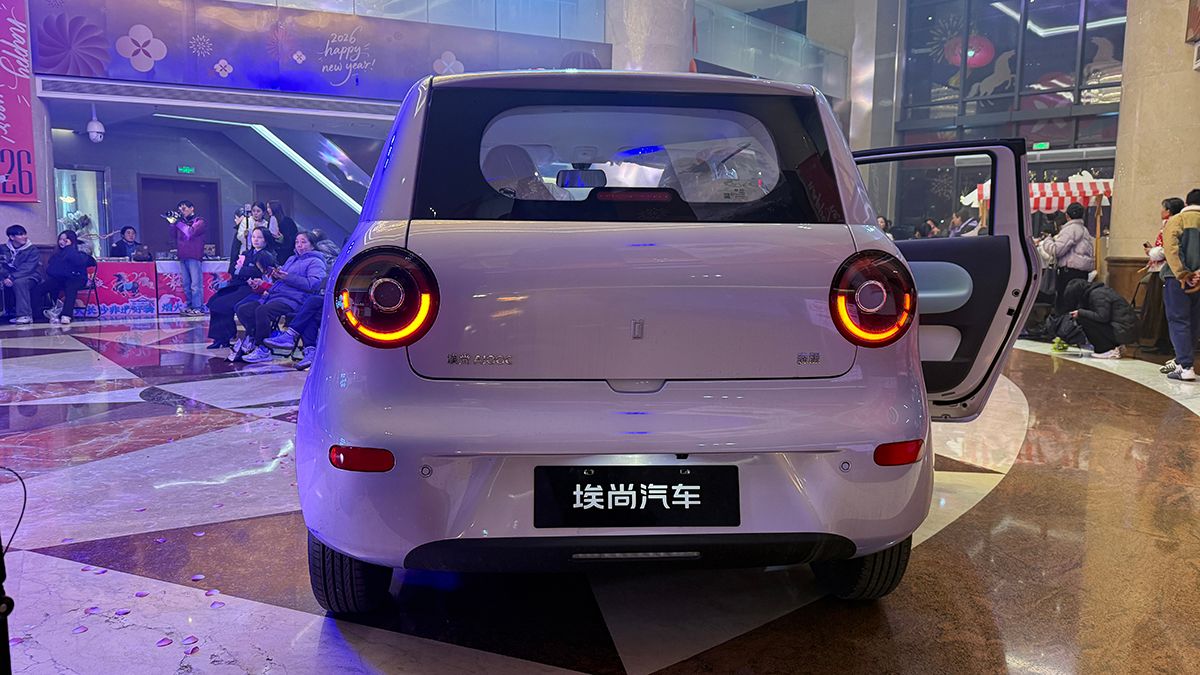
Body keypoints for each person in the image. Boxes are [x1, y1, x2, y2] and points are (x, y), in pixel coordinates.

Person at [230, 232, 327, 364]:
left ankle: (263, 348)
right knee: (243, 309)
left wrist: (287, 277)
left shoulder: (316, 262)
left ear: (312, 245)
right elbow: (282, 281)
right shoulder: (291, 259)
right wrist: (269, 280)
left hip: (295, 299)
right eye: (297, 242)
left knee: (263, 311)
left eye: (303, 242)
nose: (299, 245)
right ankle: (256, 336)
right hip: (277, 295)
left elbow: (313, 284)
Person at [207, 226, 273, 349]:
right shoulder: (246, 254)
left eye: (259, 237)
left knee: (223, 303)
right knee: (215, 301)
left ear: (266, 239)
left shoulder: (268, 255)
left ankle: (225, 336)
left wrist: (243, 270)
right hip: (238, 284)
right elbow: (234, 270)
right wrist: (244, 271)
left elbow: (259, 273)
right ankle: (220, 337)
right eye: (254, 237)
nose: (256, 240)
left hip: (253, 288)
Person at [1160, 188, 1200, 381]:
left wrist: (1184, 273)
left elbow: (1171, 249)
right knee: (1194, 322)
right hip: (1199, 282)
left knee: (1178, 320)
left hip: (1178, 280)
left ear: (1186, 203)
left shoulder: (1177, 220)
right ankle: (1184, 361)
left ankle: (1185, 366)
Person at [1138, 197, 1185, 354]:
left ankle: (1162, 341)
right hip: (1171, 271)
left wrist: (1151, 252)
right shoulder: (1181, 223)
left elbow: (1166, 250)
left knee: (1160, 307)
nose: (1161, 211)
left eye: (1163, 208)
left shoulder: (1170, 225)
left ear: (1168, 211)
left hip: (1164, 271)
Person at [1039, 202, 1095, 315]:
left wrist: (1047, 240)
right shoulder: (1085, 230)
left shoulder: (1070, 230)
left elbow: (1056, 250)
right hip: (1082, 273)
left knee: (1065, 305)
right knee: (1077, 304)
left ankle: (1064, 324)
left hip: (1069, 273)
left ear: (1067, 215)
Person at [1061, 278, 1137, 359]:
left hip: (1123, 331)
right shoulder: (1096, 291)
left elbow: (1102, 317)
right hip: (1125, 329)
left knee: (1083, 319)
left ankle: (1107, 349)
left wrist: (1080, 312)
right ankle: (1116, 347)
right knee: (1084, 317)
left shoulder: (1098, 295)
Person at [34, 230, 96, 325]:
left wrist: (69, 249)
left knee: (71, 287)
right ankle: (38, 314)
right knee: (40, 289)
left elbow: (87, 262)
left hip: (77, 279)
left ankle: (66, 315)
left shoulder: (80, 252)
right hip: (61, 279)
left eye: (65, 240)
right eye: (60, 239)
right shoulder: (57, 253)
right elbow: (51, 269)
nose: (62, 242)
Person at [169, 199, 207, 316]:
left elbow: (190, 232)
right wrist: (172, 223)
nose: (182, 211)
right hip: (182, 256)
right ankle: (190, 306)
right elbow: (172, 235)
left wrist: (178, 223)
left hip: (194, 256)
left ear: (192, 208)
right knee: (186, 285)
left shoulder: (199, 221)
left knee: (195, 285)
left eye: (184, 208)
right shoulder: (180, 222)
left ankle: (198, 307)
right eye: (180, 209)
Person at [1, 224, 42, 324]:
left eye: (25, 234)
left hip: (30, 276)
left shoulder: (32, 250)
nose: (25, 237)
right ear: (12, 237)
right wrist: (5, 277)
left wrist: (12, 277)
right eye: (20, 234)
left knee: (20, 282)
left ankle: (25, 315)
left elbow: (28, 268)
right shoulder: (3, 249)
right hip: (8, 276)